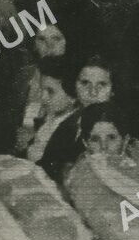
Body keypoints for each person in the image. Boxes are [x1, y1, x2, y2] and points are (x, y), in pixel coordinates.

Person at [38, 53, 116, 182]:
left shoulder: (118, 127)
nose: (93, 92)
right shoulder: (70, 122)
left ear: (113, 89)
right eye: (85, 83)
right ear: (74, 85)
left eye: (101, 84)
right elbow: (46, 166)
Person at [25, 57, 78, 164]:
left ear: (72, 96)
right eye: (42, 89)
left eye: (50, 91)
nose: (43, 97)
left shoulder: (71, 128)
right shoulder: (50, 118)